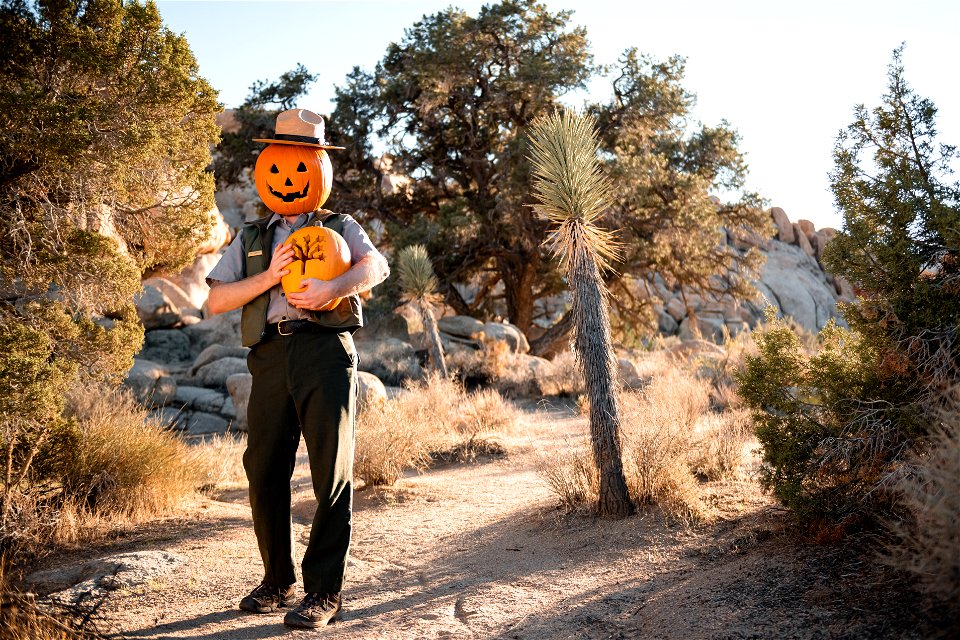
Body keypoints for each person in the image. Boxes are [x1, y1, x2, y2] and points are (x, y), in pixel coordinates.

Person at [206, 109, 389, 629]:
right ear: (266, 170)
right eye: (279, 168)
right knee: (263, 471)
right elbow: (217, 302)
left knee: (330, 472)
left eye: (300, 167)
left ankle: (323, 592)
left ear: (319, 167)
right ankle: (277, 580)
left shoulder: (340, 226)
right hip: (268, 355)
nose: (288, 179)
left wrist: (333, 288)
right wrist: (270, 277)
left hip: (325, 351)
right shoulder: (251, 237)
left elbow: (377, 266)